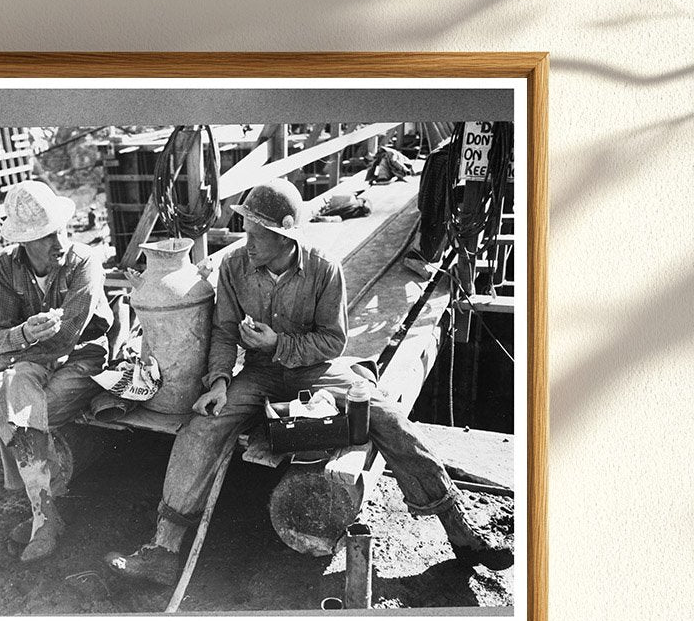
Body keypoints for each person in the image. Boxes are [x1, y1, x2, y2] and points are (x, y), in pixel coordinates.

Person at [104, 177, 511, 586]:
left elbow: (334, 341)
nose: (248, 243)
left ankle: (459, 529)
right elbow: (225, 331)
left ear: (284, 236)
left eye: (257, 234)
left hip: (316, 370)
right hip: (259, 374)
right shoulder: (233, 267)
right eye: (246, 231)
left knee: (386, 416)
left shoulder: (323, 269)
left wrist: (279, 342)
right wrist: (220, 381)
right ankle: (163, 548)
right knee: (201, 426)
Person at [0, 181, 113, 561]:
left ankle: (42, 514)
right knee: (15, 392)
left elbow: (67, 338)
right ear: (24, 243)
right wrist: (19, 334)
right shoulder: (3, 267)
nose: (58, 242)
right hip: (33, 356)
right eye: (46, 237)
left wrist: (1, 361)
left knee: (10, 409)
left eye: (60, 230)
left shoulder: (84, 261)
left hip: (85, 355)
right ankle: (43, 514)